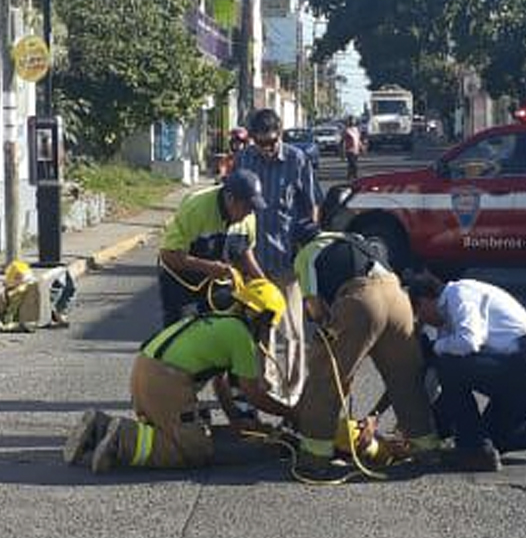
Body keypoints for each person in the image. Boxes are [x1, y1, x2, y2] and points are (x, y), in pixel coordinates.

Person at [62, 277, 295, 473]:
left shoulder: (220, 322)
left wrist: (236, 418)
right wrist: (291, 412)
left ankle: (100, 426)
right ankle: (122, 438)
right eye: (269, 326)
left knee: (183, 431)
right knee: (192, 451)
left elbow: (220, 382)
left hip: (144, 372)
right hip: (166, 383)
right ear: (264, 318)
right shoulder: (241, 337)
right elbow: (253, 393)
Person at [291, 232, 446, 479]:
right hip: (397, 297)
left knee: (325, 375)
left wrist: (329, 337)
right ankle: (427, 451)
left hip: (361, 299)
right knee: (406, 379)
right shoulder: (357, 240)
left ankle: (314, 458)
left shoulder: (306, 253)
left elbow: (316, 309)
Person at [407, 273, 526, 473]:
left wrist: (433, 348)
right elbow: (448, 391)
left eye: (418, 315)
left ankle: (472, 450)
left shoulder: (459, 294)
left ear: (423, 301)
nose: (424, 323)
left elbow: (469, 342)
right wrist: (430, 429)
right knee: (491, 439)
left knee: (447, 362)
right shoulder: (449, 323)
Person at [234, 108, 321, 407]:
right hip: (252, 259)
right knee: (260, 328)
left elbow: (311, 206)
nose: (266, 149)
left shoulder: (297, 160)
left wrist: (307, 244)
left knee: (293, 331)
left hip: (287, 261)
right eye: (260, 143)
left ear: (280, 135)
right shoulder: (244, 159)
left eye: (271, 142)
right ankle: (266, 385)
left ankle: (294, 391)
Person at [157, 169, 267, 326]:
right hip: (180, 280)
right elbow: (168, 255)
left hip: (215, 280)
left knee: (220, 326)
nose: (250, 213)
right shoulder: (196, 208)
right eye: (247, 207)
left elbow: (245, 252)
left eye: (253, 208)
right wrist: (209, 267)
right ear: (230, 199)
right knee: (179, 331)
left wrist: (263, 283)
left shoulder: (248, 217)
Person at [0, 259, 75, 335]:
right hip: (39, 318)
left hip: (36, 319)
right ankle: (60, 314)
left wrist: (2, 326)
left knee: (55, 278)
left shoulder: (9, 293)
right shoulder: (16, 292)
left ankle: (59, 314)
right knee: (58, 276)